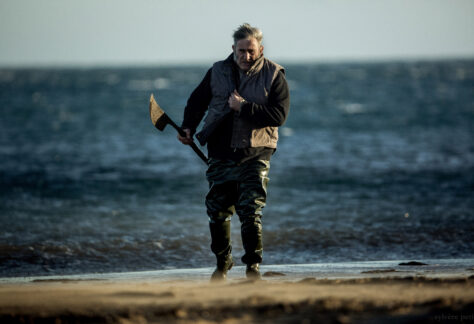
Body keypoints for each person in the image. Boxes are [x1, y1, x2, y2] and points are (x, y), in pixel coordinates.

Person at [178, 23, 290, 281]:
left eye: (251, 51)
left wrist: (244, 107)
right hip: (220, 152)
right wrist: (187, 128)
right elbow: (197, 102)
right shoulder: (217, 70)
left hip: (256, 153)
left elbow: (279, 115)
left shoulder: (274, 75)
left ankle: (253, 267)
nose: (246, 56)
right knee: (217, 211)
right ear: (233, 49)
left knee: (251, 211)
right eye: (241, 51)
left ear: (260, 49)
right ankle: (223, 262)